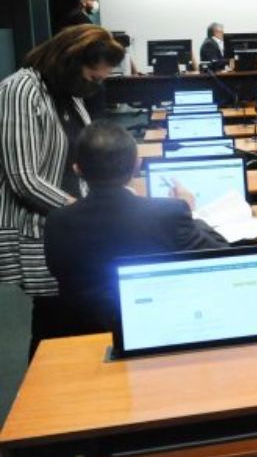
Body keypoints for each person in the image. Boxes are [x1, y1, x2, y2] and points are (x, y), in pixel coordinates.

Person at [43, 121, 227, 347]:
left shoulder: (56, 221)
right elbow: (220, 253)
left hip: (88, 339)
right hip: (163, 332)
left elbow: (60, 273)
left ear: (77, 169)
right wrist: (192, 213)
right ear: (137, 165)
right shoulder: (169, 213)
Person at [0, 25, 124, 357]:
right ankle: (45, 399)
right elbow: (24, 177)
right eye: (93, 77)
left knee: (83, 316)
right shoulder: (21, 90)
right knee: (55, 322)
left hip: (73, 223)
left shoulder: (66, 93)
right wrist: (83, 212)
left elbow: (78, 159)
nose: (95, 86)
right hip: (44, 227)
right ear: (71, 60)